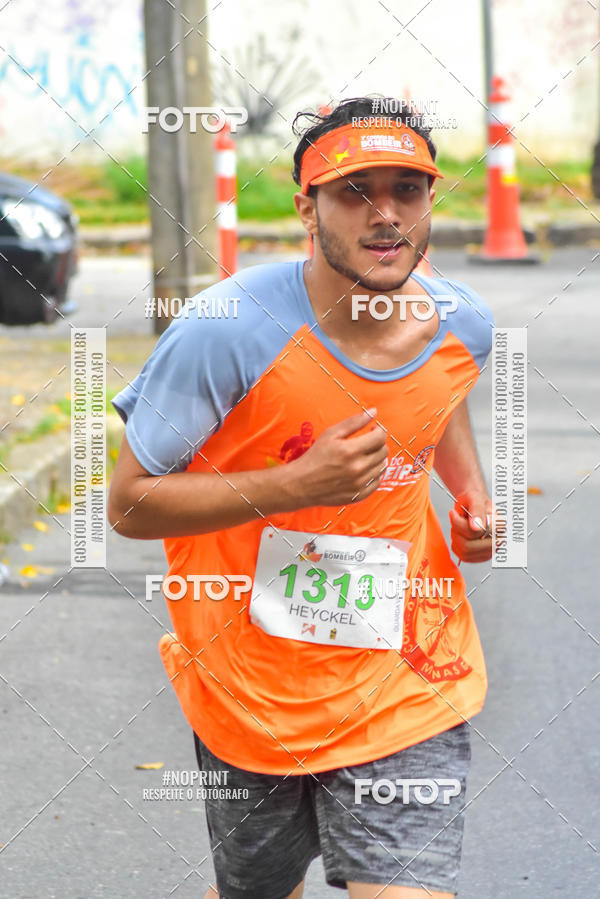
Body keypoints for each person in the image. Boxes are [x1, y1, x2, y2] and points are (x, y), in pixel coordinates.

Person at [108, 97, 499, 899]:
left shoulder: (464, 322)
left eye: (407, 189)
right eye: (355, 190)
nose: (385, 214)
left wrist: (471, 493)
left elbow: (439, 398)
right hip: (252, 686)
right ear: (305, 206)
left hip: (406, 673)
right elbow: (130, 505)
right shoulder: (226, 329)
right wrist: (295, 486)